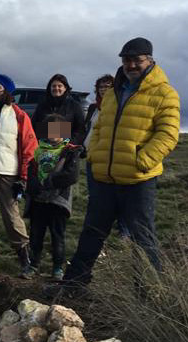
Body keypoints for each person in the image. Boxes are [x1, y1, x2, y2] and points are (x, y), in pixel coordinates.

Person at [55, 37, 180, 292]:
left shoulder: (165, 93)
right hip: (103, 177)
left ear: (150, 60)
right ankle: (73, 285)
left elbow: (167, 134)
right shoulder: (113, 92)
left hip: (138, 179)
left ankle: (149, 293)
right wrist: (95, 155)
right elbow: (99, 128)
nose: (131, 64)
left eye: (137, 60)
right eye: (127, 60)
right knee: (91, 232)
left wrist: (141, 160)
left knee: (142, 237)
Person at [0, 73, 37, 278]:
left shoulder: (20, 115)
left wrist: (24, 177)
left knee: (11, 216)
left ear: (7, 91)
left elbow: (30, 147)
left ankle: (25, 260)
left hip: (8, 172)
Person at [25, 114, 82, 280]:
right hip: (38, 200)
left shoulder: (70, 151)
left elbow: (71, 175)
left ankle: (58, 267)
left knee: (58, 236)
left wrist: (49, 182)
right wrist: (34, 185)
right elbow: (31, 170)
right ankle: (33, 264)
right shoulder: (38, 149)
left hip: (58, 200)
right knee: (36, 235)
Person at [81, 73, 130, 239]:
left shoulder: (119, 106)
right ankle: (96, 228)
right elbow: (85, 128)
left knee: (117, 195)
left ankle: (123, 228)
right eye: (101, 87)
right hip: (91, 156)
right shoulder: (94, 108)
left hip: (111, 158)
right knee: (95, 195)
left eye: (107, 86)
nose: (104, 90)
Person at [31, 74, 85, 145]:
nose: (56, 88)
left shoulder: (75, 106)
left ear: (65, 88)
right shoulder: (42, 105)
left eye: (59, 86)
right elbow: (34, 127)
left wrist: (67, 143)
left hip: (66, 148)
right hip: (44, 148)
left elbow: (80, 130)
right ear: (50, 88)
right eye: (53, 86)